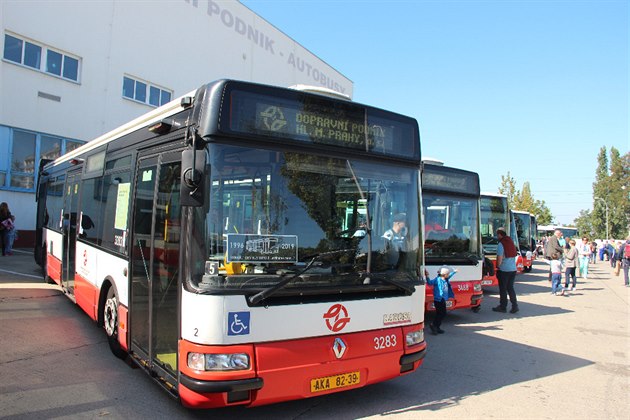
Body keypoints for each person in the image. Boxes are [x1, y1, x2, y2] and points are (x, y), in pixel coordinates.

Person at [492, 227, 519, 314]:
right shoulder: (510, 242)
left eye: (497, 235)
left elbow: (499, 258)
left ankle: (503, 306)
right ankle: (515, 306)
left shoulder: (501, 244)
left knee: (503, 289)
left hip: (504, 270)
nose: (497, 236)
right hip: (513, 269)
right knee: (510, 288)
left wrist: (498, 266)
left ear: (500, 234)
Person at [425, 266, 456, 334]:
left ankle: (437, 327)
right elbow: (429, 282)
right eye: (447, 274)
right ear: (444, 274)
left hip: (443, 299)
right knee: (440, 313)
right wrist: (427, 276)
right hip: (438, 300)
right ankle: (433, 325)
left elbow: (450, 275)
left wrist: (454, 272)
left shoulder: (446, 279)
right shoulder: (437, 279)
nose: (448, 275)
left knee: (442, 313)